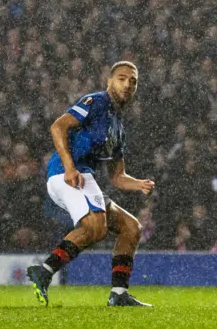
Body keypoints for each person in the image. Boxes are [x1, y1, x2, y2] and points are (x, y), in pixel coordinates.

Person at [27, 61, 155, 307]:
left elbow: (117, 176)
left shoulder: (118, 127)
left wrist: (138, 184)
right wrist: (69, 166)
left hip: (83, 178)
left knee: (131, 227)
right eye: (122, 78)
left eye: (133, 81)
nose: (128, 83)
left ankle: (119, 293)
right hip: (67, 174)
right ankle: (44, 270)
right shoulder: (96, 102)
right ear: (109, 81)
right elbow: (58, 126)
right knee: (97, 227)